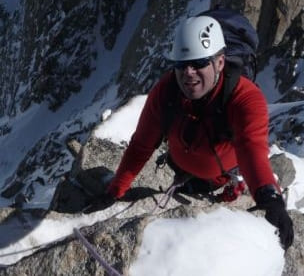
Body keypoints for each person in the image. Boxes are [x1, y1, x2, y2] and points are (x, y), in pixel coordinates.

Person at [105, 15, 294, 249]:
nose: (189, 73)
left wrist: (270, 198)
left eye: (199, 63)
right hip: (182, 171)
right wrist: (114, 191)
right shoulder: (166, 92)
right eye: (181, 65)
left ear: (220, 62)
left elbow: (251, 149)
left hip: (225, 182)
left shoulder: (245, 98)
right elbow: (141, 144)